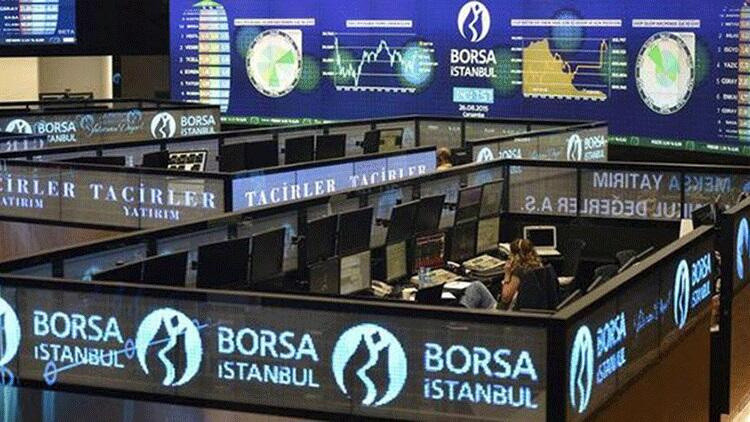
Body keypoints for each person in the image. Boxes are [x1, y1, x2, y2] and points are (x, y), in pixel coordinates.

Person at [500, 238, 544, 309]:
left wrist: (507, 275)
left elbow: (505, 299)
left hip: (510, 312)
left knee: (479, 288)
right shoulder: (539, 265)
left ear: (517, 256)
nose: (509, 256)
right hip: (536, 310)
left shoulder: (519, 271)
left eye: (511, 253)